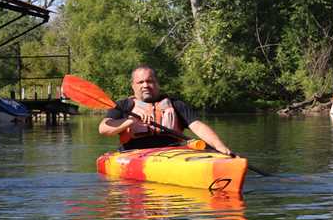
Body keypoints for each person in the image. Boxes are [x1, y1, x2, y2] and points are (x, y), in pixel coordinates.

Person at [98, 65, 232, 154]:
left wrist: (219, 146)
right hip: (134, 153)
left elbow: (197, 126)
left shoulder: (176, 104)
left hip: (173, 154)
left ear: (157, 83)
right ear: (133, 85)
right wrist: (130, 122)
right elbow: (104, 128)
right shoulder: (123, 106)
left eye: (150, 81)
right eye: (140, 82)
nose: (145, 85)